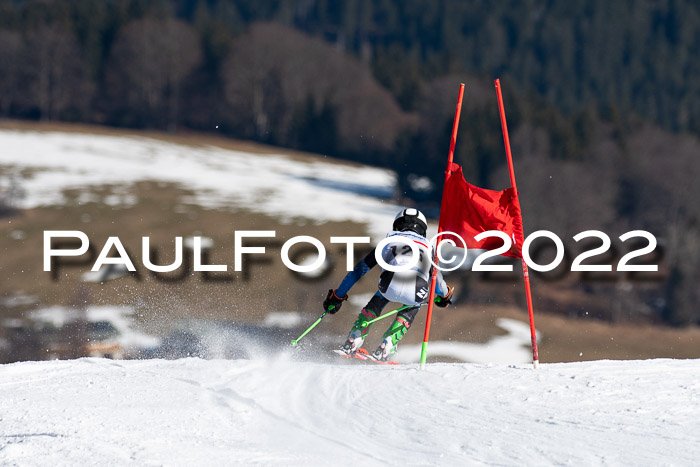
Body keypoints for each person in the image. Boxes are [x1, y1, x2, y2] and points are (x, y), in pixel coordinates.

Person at [323, 208, 454, 362]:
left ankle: (354, 339)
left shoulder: (388, 240)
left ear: (397, 225)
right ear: (423, 230)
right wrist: (445, 296)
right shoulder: (428, 247)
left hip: (389, 284)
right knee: (413, 304)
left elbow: (357, 272)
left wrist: (337, 296)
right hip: (416, 289)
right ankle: (387, 345)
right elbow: (437, 282)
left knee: (380, 296)